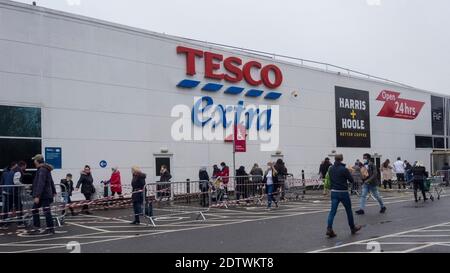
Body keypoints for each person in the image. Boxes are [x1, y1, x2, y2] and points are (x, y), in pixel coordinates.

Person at [326, 154, 361, 238]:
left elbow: (330, 179)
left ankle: (329, 228)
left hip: (334, 192)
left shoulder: (330, 169)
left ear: (335, 159)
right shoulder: (344, 169)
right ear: (342, 159)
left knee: (332, 211)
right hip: (343, 192)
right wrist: (350, 173)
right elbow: (351, 180)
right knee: (348, 210)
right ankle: (352, 227)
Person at [29, 154, 56, 235]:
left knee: (44, 211)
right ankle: (45, 228)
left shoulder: (42, 170)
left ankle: (49, 229)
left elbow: (41, 183)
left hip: (43, 195)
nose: (34, 161)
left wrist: (37, 196)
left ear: (37, 161)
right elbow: (51, 181)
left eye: (34, 160)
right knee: (38, 210)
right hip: (45, 194)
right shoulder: (45, 169)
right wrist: (54, 191)